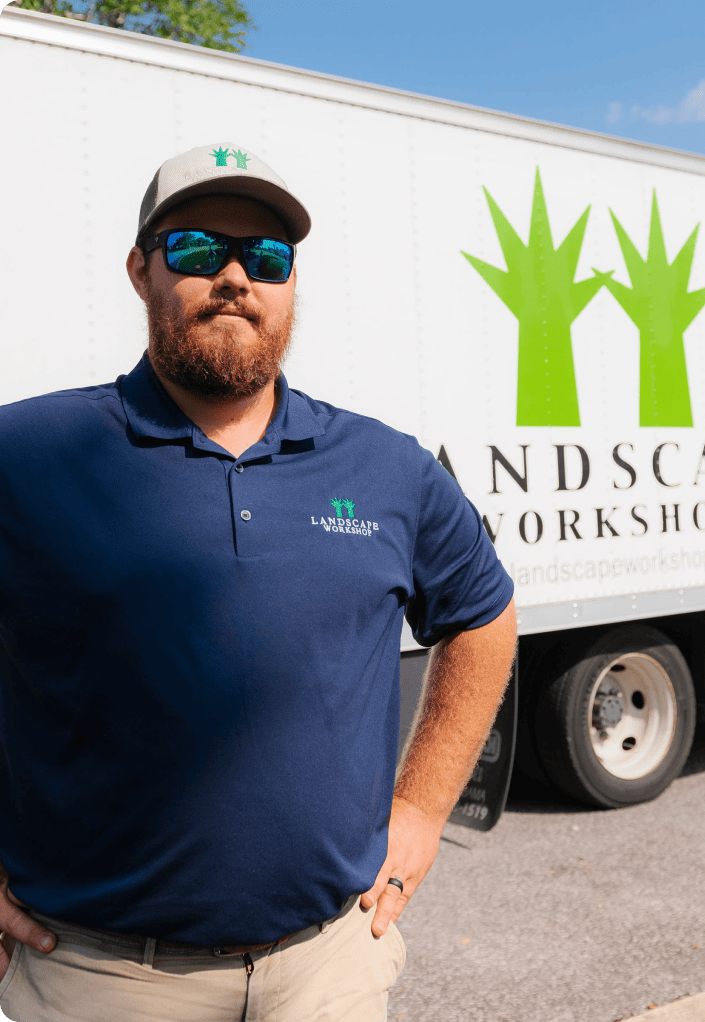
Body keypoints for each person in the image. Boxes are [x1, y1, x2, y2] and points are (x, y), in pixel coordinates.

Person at [0, 143, 516, 1021]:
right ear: (141, 271)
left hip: (330, 972)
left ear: (288, 287)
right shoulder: (31, 455)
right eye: (198, 248)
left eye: (266, 257)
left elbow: (483, 614)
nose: (236, 275)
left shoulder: (386, 466)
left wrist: (424, 810)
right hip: (99, 980)